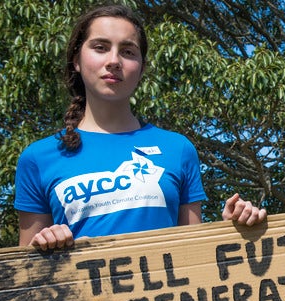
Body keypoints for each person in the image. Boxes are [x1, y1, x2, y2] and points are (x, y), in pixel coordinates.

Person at [14, 4, 267, 252]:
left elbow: (193, 252)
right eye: (100, 48)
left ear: (142, 68)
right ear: (76, 61)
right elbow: (24, 276)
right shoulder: (38, 158)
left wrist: (230, 232)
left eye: (127, 52)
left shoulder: (178, 149)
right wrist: (43, 246)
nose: (114, 61)